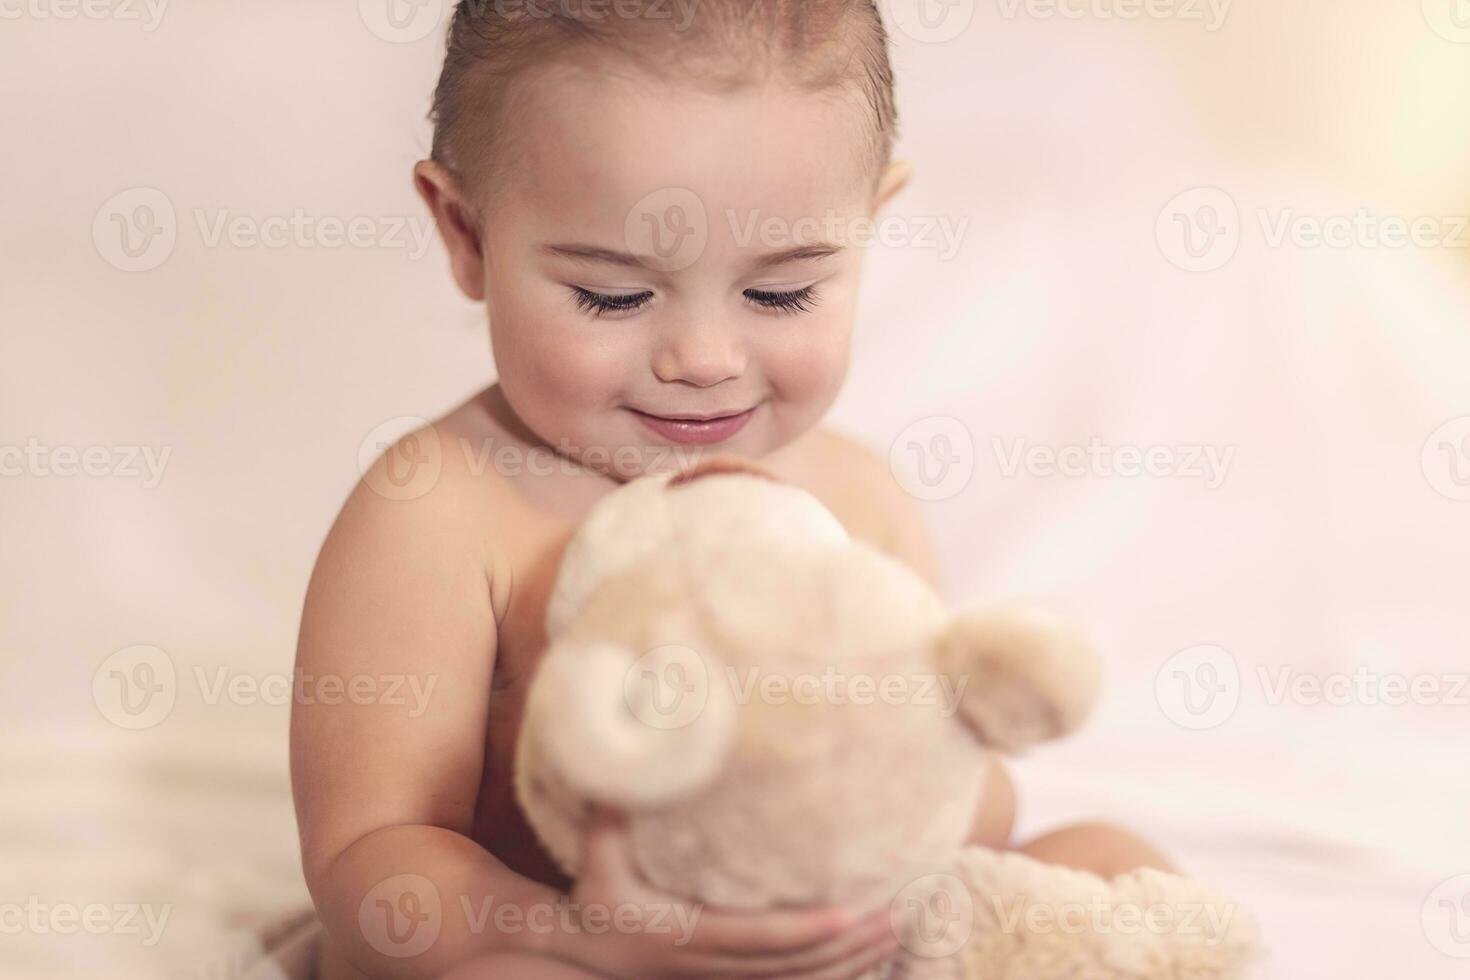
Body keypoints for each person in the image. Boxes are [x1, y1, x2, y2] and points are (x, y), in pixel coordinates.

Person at [291, 3, 1170, 977]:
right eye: (613, 295)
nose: (704, 360)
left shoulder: (855, 496)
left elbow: (956, 791)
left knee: (1113, 863)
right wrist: (579, 933)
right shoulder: (438, 509)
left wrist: (945, 775)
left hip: (824, 941)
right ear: (467, 234)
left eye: (783, 292)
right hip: (555, 941)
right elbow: (366, 863)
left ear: (868, 226)